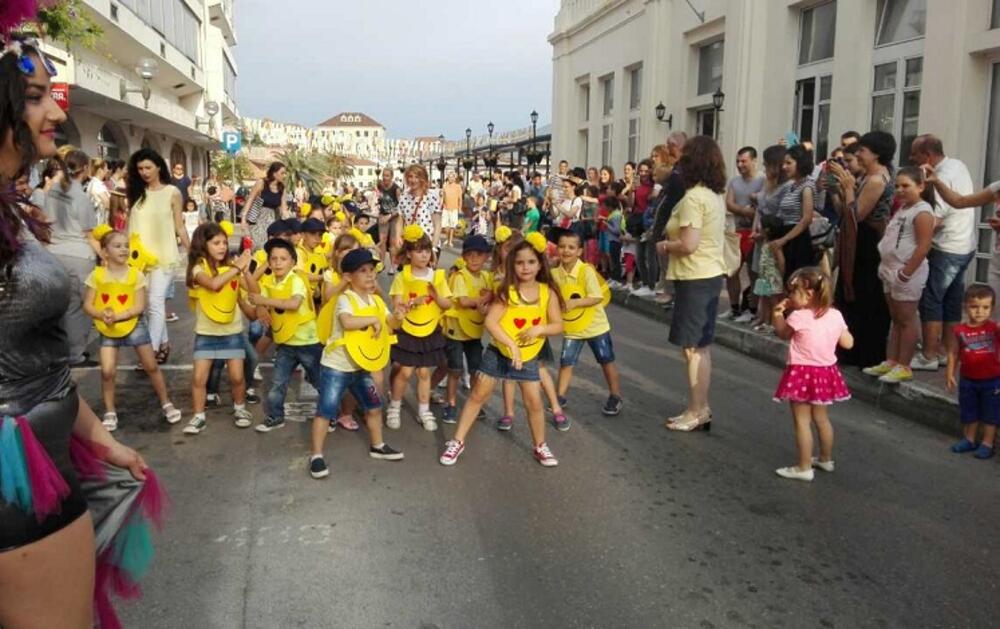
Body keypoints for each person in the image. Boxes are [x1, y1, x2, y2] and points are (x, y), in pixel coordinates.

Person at [0, 36, 153, 628]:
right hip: (19, 479)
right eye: (34, 96)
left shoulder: (11, 207)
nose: (56, 112)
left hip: (43, 451)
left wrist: (102, 441)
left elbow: (39, 362)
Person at [440, 232, 564, 467]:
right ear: (512, 265)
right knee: (478, 395)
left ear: (540, 264)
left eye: (531, 262)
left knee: (534, 403)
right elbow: (491, 322)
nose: (525, 267)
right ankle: (457, 441)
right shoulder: (506, 291)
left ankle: (540, 445)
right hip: (498, 353)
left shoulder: (547, 293)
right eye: (519, 262)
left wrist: (540, 329)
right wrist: (510, 344)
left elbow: (558, 325)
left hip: (528, 355)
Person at [307, 248, 407, 478]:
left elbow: (390, 324)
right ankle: (316, 455)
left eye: (372, 270)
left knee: (374, 406)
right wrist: (372, 319)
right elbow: (347, 321)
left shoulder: (376, 301)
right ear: (349, 277)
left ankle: (378, 445)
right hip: (337, 366)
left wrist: (398, 316)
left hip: (361, 366)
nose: (370, 274)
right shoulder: (345, 299)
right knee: (326, 411)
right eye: (363, 271)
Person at [657, 135, 727, 432]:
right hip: (705, 274)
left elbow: (688, 244)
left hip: (695, 275)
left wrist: (665, 246)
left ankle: (697, 410)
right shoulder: (712, 195)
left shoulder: (695, 198)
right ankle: (699, 407)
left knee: (694, 349)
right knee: (698, 347)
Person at [82, 226, 182, 431]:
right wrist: (101, 314)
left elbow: (139, 306)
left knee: (151, 366)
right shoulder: (97, 275)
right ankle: (110, 411)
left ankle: (166, 402)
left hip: (135, 325)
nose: (124, 249)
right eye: (117, 246)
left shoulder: (136, 275)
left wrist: (117, 316)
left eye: (126, 246)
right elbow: (88, 304)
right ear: (105, 251)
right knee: (107, 371)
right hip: (107, 328)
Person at [771, 268, 854, 482]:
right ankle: (825, 458)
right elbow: (848, 343)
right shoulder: (835, 315)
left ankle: (804, 466)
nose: (789, 296)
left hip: (802, 372)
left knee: (802, 421)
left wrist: (778, 313)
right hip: (826, 372)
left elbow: (782, 333)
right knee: (822, 418)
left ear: (808, 294)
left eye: (793, 292)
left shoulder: (798, 317)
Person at [862, 167, 936, 384]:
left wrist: (906, 273)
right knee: (895, 318)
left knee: (907, 318)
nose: (900, 190)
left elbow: (924, 246)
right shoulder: (903, 209)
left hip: (906, 272)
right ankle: (891, 360)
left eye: (906, 186)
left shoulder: (922, 212)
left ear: (921, 187)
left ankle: (904, 365)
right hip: (889, 269)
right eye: (897, 186)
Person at [909, 135, 976, 372]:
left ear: (928, 156)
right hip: (964, 245)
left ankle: (929, 355)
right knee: (951, 301)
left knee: (931, 300)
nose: (911, 158)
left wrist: (909, 235)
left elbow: (934, 220)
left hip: (946, 248)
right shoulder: (958, 165)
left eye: (915, 154)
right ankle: (948, 352)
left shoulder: (941, 178)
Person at [828, 131, 894, 368]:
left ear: (876, 154)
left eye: (863, 151)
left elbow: (856, 215)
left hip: (868, 244)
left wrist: (847, 189)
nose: (859, 155)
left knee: (866, 298)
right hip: (857, 241)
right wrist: (837, 189)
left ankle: (865, 354)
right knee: (853, 297)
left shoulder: (877, 180)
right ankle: (849, 350)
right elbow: (844, 212)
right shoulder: (867, 177)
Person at [182, 223, 253, 435]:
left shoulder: (231, 268)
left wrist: (246, 271)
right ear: (203, 244)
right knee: (198, 378)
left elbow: (253, 290)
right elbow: (213, 284)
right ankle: (198, 416)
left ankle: (240, 408)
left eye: (224, 242)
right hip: (206, 333)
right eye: (216, 243)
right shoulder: (198, 268)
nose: (222, 247)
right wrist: (237, 268)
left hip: (232, 332)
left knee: (237, 377)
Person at [251, 238, 324, 433]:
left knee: (318, 380)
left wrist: (263, 301)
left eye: (283, 259)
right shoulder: (269, 282)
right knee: (278, 382)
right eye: (273, 259)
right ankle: (275, 416)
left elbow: (294, 304)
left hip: (308, 342)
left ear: (292, 262)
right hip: (285, 342)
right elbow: (256, 297)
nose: (278, 263)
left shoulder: (296, 280)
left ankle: (330, 414)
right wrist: (260, 306)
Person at [127, 147, 191, 364]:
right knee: (148, 306)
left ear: (158, 168)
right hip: (139, 259)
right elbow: (129, 226)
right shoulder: (136, 192)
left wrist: (193, 253)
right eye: (140, 168)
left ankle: (150, 353)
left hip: (164, 257)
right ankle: (164, 344)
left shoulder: (172, 192)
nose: (144, 172)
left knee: (155, 302)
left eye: (148, 167)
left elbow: (180, 227)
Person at [386, 224, 453, 431]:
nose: (424, 255)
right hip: (408, 330)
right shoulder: (402, 277)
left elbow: (447, 304)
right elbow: (397, 305)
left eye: (426, 250)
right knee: (405, 372)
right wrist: (411, 303)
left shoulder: (437, 276)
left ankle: (424, 410)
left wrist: (436, 296)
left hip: (430, 330)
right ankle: (394, 407)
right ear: (408, 254)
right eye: (418, 251)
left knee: (424, 373)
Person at [552, 229, 623, 415]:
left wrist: (575, 302)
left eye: (571, 247)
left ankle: (615, 395)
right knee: (566, 362)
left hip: (595, 326)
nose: (566, 251)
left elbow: (597, 297)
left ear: (579, 251)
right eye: (562, 246)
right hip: (573, 327)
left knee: (606, 360)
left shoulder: (586, 271)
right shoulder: (554, 274)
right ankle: (560, 396)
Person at [45, 148, 101, 366]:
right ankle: (77, 354)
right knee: (83, 307)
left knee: (65, 307)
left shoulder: (53, 190)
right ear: (85, 168)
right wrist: (106, 257)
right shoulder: (80, 196)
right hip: (79, 256)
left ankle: (64, 352)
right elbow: (90, 235)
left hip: (55, 253)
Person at [923, 169, 1000, 315]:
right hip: (997, 265)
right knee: (994, 316)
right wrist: (937, 181)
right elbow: (960, 201)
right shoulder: (998, 187)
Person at [441, 235, 494, 423]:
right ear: (463, 257)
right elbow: (463, 301)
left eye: (479, 254)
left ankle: (474, 403)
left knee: (475, 369)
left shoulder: (487, 277)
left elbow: (494, 296)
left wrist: (488, 303)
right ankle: (451, 404)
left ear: (486, 257)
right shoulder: (459, 276)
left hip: (474, 332)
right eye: (470, 255)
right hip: (455, 331)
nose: (474, 259)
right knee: (454, 370)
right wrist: (484, 299)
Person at [946, 285, 1000, 460]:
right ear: (965, 306)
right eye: (974, 306)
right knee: (969, 411)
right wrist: (949, 373)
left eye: (985, 307)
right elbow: (953, 352)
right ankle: (969, 439)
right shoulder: (959, 331)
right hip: (968, 379)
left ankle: (987, 443)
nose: (979, 312)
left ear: (992, 308)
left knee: (991, 413)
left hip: (992, 379)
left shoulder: (994, 329)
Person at [722, 146, 764, 322]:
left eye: (744, 161)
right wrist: (744, 211)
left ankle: (752, 310)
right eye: (737, 161)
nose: (740, 165)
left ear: (754, 161)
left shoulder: (762, 179)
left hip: (755, 232)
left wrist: (752, 213)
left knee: (754, 273)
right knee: (731, 271)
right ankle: (734, 307)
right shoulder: (734, 181)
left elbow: (764, 203)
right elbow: (729, 203)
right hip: (737, 231)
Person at [772, 144, 815, 281]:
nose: (784, 167)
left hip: (798, 240)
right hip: (786, 235)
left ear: (800, 163)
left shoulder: (806, 187)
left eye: (789, 163)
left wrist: (785, 239)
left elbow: (806, 219)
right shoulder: (792, 185)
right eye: (783, 163)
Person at [394, 164, 442, 254]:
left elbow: (437, 224)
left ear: (423, 179)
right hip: (410, 245)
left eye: (417, 177)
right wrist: (397, 237)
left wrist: (433, 247)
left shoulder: (430, 196)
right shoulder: (404, 196)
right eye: (410, 176)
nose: (413, 180)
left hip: (427, 245)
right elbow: (400, 220)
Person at [241, 161, 289, 250]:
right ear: (274, 173)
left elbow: (284, 208)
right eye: (282, 173)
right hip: (258, 221)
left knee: (269, 247)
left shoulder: (282, 188)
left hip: (272, 221)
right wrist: (243, 219)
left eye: (285, 173)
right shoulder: (261, 183)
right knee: (256, 247)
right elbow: (250, 200)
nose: (284, 175)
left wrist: (289, 222)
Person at [752, 215, 786, 332]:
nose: (759, 227)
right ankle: (765, 321)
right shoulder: (765, 241)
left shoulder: (774, 245)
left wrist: (781, 275)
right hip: (764, 276)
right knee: (764, 299)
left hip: (772, 277)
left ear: (767, 229)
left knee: (773, 301)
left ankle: (774, 323)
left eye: (761, 226)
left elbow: (781, 261)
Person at [375, 167, 400, 271]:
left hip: (394, 217)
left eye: (387, 175)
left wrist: (389, 216)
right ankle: (381, 263)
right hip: (383, 215)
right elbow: (379, 199)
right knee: (382, 240)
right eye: (383, 175)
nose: (385, 177)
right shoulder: (380, 186)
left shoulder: (396, 189)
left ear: (392, 177)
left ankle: (393, 265)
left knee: (393, 242)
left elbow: (400, 206)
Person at [441, 172, 463, 247]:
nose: (451, 178)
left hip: (454, 208)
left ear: (454, 178)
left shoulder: (458, 186)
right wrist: (440, 205)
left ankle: (450, 241)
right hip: (445, 208)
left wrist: (460, 208)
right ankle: (447, 238)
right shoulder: (445, 186)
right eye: (449, 177)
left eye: (452, 177)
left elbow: (460, 198)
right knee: (445, 226)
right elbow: (442, 197)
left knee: (452, 226)